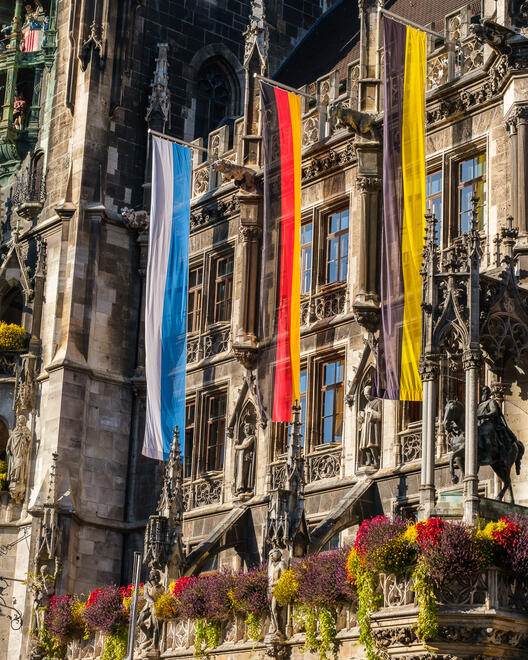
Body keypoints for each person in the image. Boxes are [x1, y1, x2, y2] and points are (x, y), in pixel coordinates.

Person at [357, 385, 381, 467]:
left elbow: (380, 416)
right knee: (365, 445)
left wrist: (371, 412)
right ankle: (368, 461)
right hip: (366, 427)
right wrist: (361, 416)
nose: (366, 397)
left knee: (371, 444)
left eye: (367, 395)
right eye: (365, 396)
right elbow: (364, 416)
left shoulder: (378, 402)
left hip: (372, 426)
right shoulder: (367, 404)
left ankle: (376, 460)